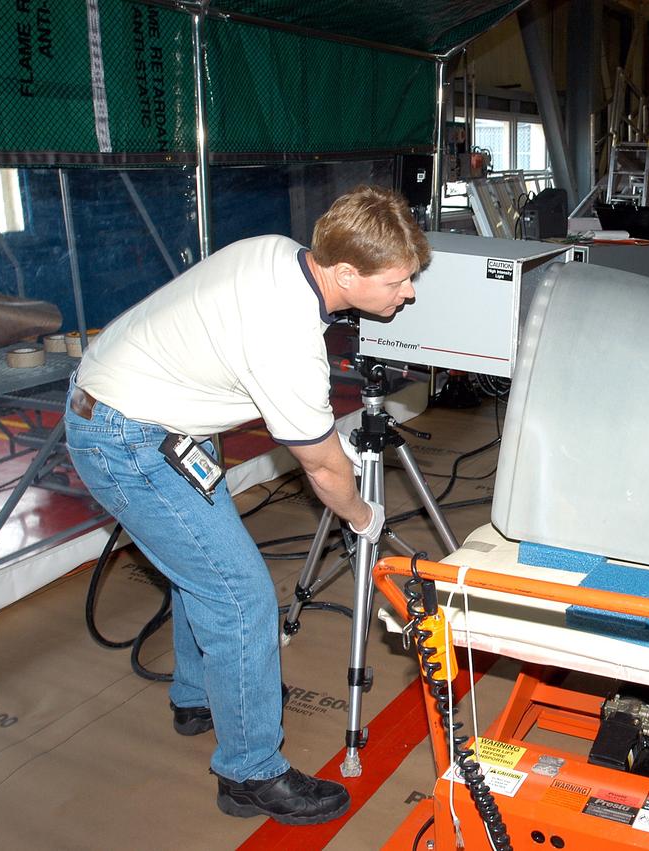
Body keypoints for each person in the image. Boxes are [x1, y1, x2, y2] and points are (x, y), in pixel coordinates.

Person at [63, 185, 430, 825]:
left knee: (201, 573)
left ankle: (199, 696)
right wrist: (366, 517)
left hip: (145, 416)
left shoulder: (277, 252)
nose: (410, 294)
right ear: (346, 273)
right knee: (240, 596)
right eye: (400, 281)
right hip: (127, 438)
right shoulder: (289, 338)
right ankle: (249, 774)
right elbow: (322, 464)